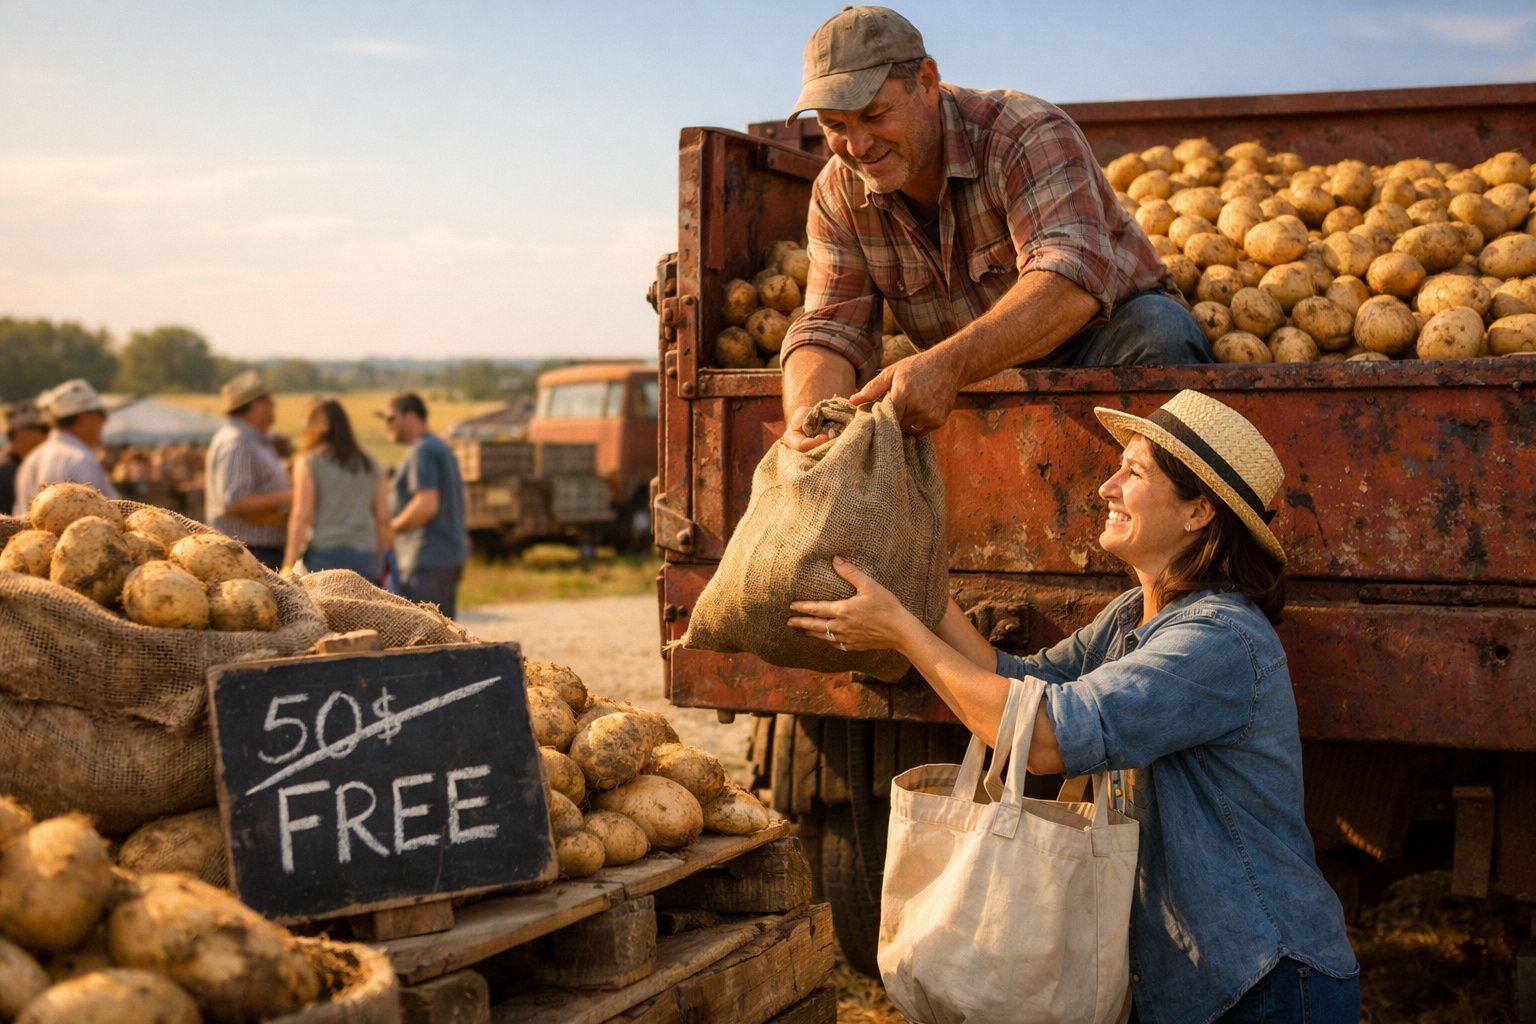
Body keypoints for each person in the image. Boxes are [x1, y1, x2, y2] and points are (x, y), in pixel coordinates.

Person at [789, 390, 1359, 1022]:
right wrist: (918, 585)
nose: (1106, 488)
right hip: (1191, 984)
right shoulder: (1132, 616)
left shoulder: (1218, 640)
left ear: (1199, 511)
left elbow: (1042, 739)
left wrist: (902, 633)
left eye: (1134, 474)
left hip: (1262, 982)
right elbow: (1014, 681)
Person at [779, 6, 1209, 453]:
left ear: (926, 82)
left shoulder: (1023, 133)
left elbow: (1071, 278)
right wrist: (811, 425)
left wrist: (947, 365)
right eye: (835, 125)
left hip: (1097, 348)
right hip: (973, 376)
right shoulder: (837, 191)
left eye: (873, 115)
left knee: (1158, 327)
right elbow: (831, 329)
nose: (858, 145)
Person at [282, 397, 393, 582]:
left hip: (324, 552)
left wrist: (288, 563)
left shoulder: (309, 462)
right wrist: (381, 559)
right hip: (365, 553)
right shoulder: (370, 463)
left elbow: (302, 515)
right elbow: (383, 518)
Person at [381, 392, 467, 618]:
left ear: (409, 416)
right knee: (443, 635)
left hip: (427, 560)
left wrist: (391, 528)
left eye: (390, 418)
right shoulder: (440, 447)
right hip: (444, 557)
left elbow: (426, 504)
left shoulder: (421, 451)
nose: (386, 425)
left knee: (428, 641)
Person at [205, 369, 292, 570]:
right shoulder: (238, 442)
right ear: (255, 405)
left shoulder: (254, 440)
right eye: (268, 400)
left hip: (256, 551)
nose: (273, 405)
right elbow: (235, 501)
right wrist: (289, 497)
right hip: (246, 552)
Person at [11, 379, 119, 516]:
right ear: (83, 417)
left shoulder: (31, 459)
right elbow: (102, 518)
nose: (103, 422)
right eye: (101, 415)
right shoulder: (81, 460)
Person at [0, 399, 49, 517]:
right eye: (41, 429)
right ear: (20, 431)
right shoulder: (5, 470)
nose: (45, 434)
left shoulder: (28, 463)